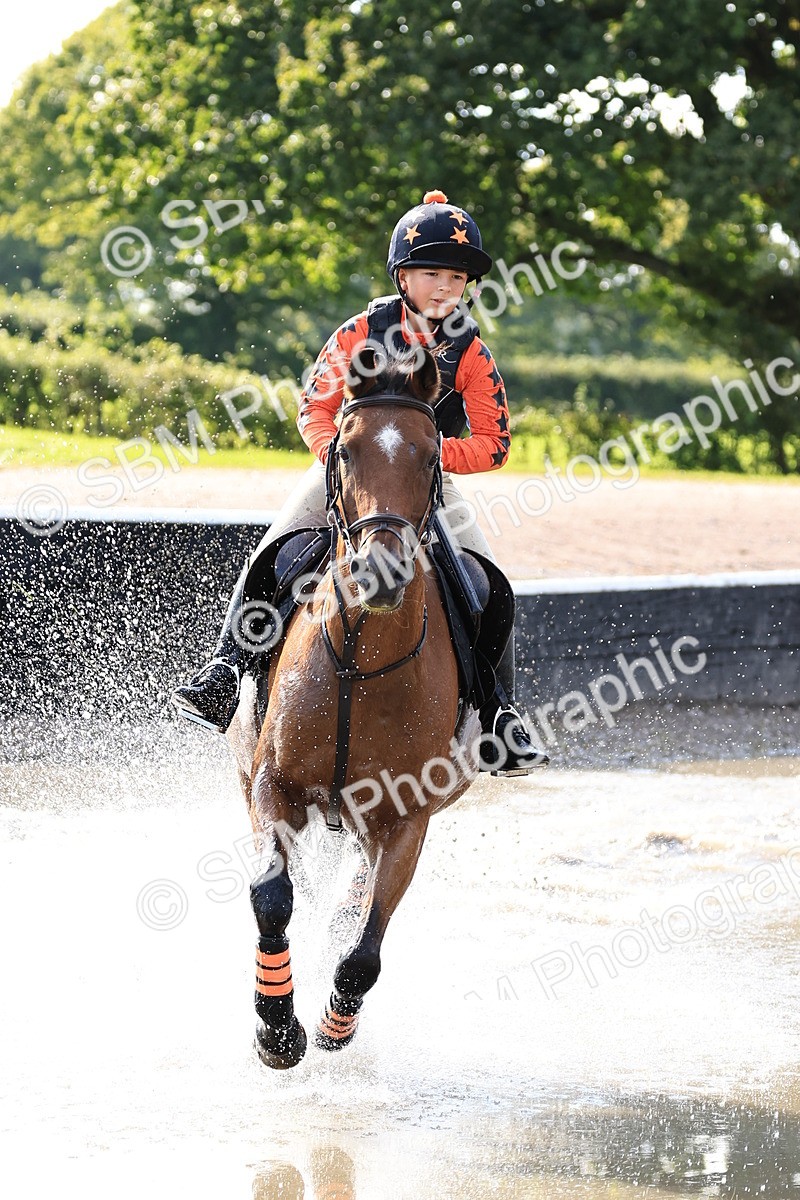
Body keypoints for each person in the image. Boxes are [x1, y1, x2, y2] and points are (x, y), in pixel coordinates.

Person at [171, 189, 548, 774]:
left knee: (489, 583)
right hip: (346, 468)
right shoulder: (358, 331)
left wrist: (422, 457)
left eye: (456, 276)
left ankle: (500, 715)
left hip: (428, 479)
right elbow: (315, 411)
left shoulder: (472, 353)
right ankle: (224, 670)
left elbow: (495, 444)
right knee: (275, 550)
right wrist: (346, 459)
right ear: (403, 275)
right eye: (431, 273)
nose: (445, 287)